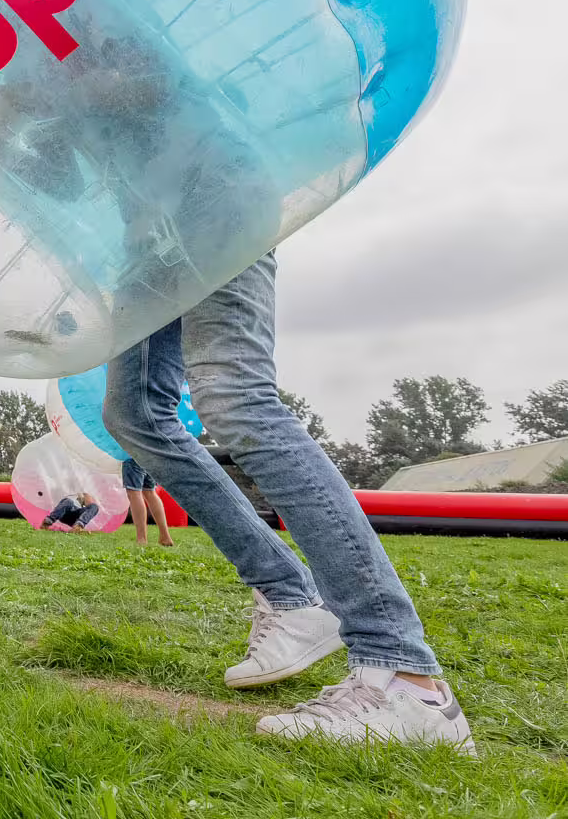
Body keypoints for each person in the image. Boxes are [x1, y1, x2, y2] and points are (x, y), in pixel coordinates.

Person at [102, 254, 475, 752]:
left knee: (235, 396)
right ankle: (290, 598)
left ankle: (406, 681)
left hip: (212, 199)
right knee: (136, 415)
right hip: (143, 244)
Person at [122, 457, 175, 548]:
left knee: (134, 493)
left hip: (134, 453)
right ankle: (165, 536)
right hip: (151, 455)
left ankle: (141, 539)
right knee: (150, 492)